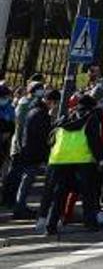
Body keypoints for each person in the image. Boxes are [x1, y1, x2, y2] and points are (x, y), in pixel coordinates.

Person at [40, 95, 103, 236]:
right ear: (92, 107)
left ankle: (51, 225)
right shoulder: (91, 119)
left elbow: (50, 138)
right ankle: (90, 223)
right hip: (83, 160)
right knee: (88, 194)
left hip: (60, 160)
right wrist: (100, 158)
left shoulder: (65, 118)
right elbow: (94, 141)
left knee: (59, 194)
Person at [10, 89, 58, 220]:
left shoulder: (35, 110)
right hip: (33, 153)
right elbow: (42, 136)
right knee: (27, 181)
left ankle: (20, 207)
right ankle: (19, 208)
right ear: (50, 101)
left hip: (29, 151)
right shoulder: (40, 114)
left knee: (26, 181)